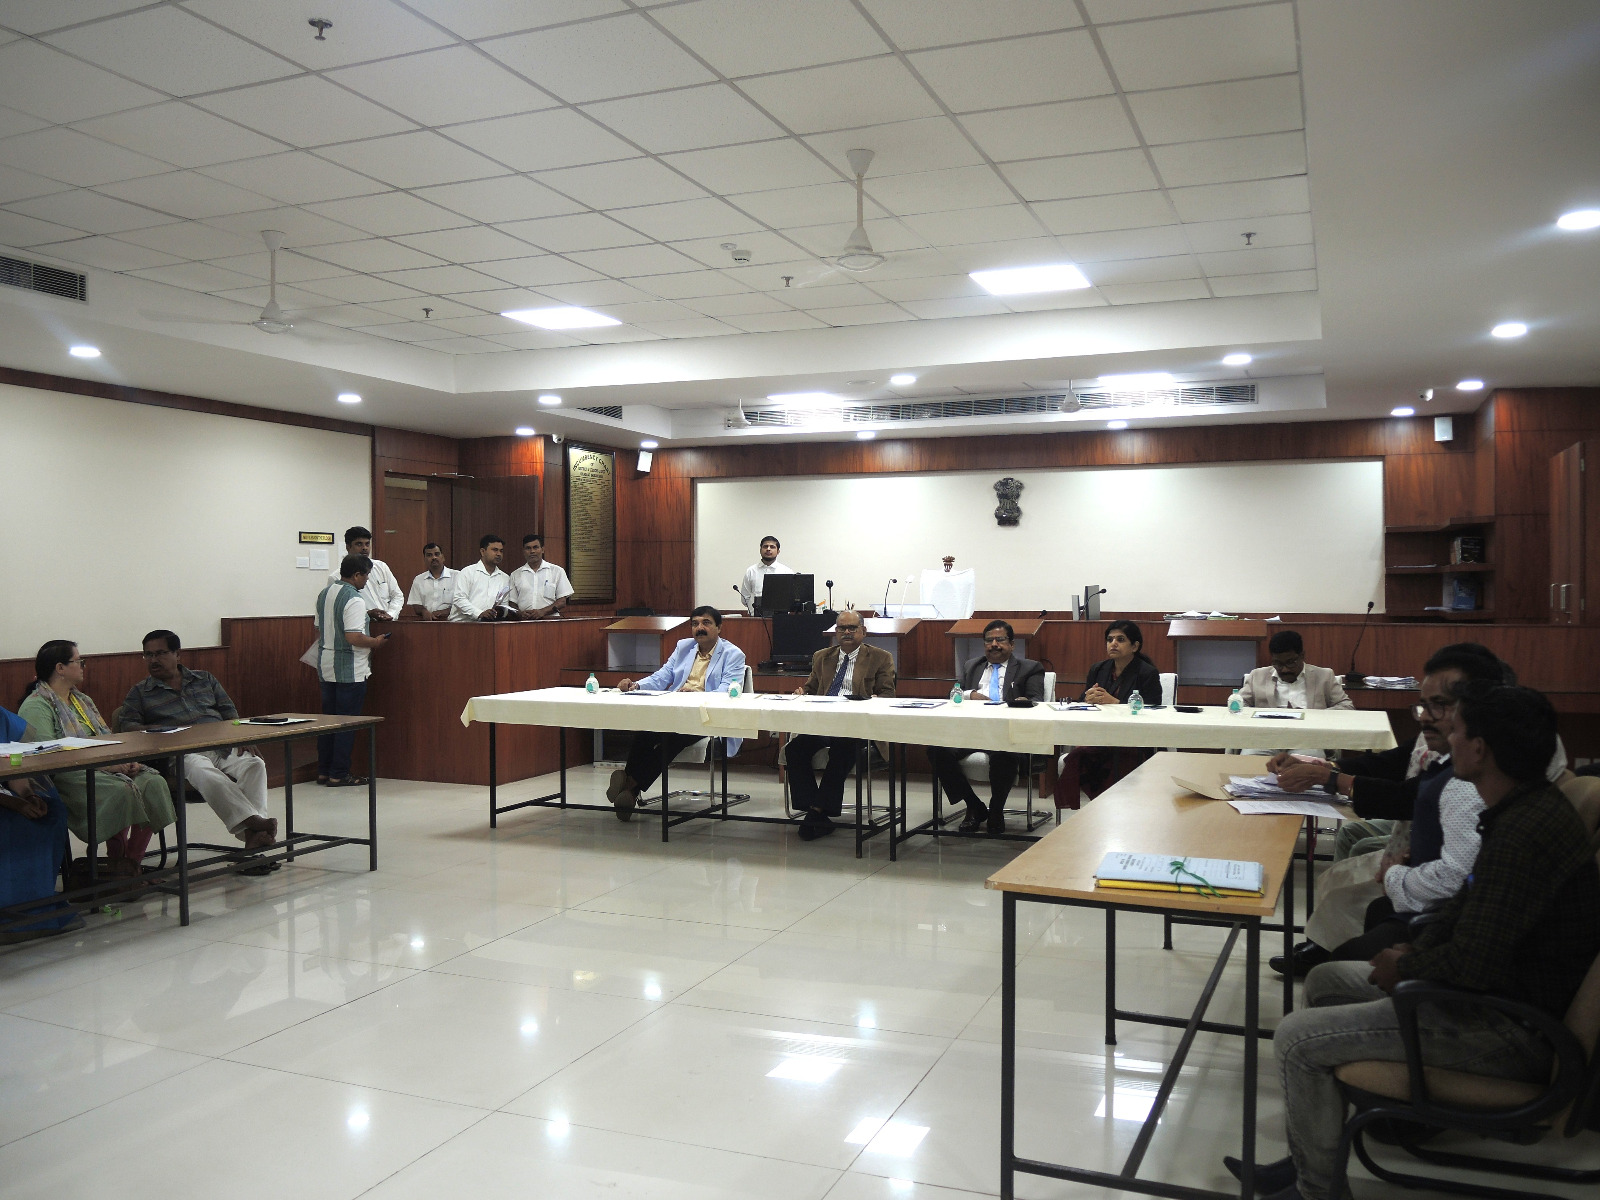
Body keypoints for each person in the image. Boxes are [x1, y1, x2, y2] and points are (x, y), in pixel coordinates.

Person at [1239, 685, 1600, 1200]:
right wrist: (1414, 950)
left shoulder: (1523, 835)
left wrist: (1406, 966)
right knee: (1325, 980)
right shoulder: (1522, 809)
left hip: (1509, 1033)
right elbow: (1471, 914)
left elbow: (1473, 964)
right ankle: (1311, 1157)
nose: (1446, 739)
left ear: (1480, 749)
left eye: (1457, 730)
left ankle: (1316, 1190)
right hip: (1496, 1001)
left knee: (1296, 1039)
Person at [1266, 645, 1508, 975]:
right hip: (1421, 871)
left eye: (1439, 705)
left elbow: (1410, 800)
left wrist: (1333, 779)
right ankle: (1329, 945)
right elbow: (1390, 764)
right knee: (1346, 864)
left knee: (1346, 889)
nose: (1425, 716)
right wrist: (1326, 767)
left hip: (1432, 896)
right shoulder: (1447, 743)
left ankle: (1334, 954)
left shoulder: (1472, 773)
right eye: (1423, 705)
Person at [17, 641, 176, 879]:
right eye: (78, 661)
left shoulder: (82, 700)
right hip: (66, 775)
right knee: (122, 790)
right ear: (60, 668)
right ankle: (116, 861)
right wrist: (107, 765)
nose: (83, 666)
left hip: (102, 766)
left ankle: (131, 865)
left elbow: (106, 738)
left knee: (153, 782)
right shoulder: (37, 705)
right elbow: (48, 754)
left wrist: (126, 760)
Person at [115, 629, 277, 856]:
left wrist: (243, 737)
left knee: (255, 764)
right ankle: (255, 825)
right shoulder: (140, 692)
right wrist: (156, 729)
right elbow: (127, 726)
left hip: (221, 745)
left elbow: (229, 713)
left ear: (177, 654)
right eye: (148, 655)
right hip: (182, 753)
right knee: (205, 772)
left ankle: (253, 834)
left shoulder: (205, 679)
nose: (153, 660)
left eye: (160, 653)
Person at [610, 606, 747, 821]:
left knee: (673, 738)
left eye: (706, 623)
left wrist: (698, 694)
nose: (699, 628)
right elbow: (661, 677)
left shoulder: (733, 654)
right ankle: (630, 789)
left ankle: (630, 784)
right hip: (678, 713)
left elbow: (729, 691)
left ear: (719, 627)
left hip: (710, 718)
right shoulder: (684, 647)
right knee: (645, 731)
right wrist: (635, 685)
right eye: (695, 624)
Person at [786, 609, 896, 842]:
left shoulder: (880, 657)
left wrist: (874, 699)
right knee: (795, 748)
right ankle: (815, 810)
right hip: (824, 722)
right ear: (835, 632)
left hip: (859, 726)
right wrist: (802, 693)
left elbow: (888, 695)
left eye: (852, 628)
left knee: (844, 746)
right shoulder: (822, 656)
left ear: (863, 631)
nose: (846, 632)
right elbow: (811, 688)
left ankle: (816, 811)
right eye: (842, 628)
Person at [928, 620, 1045, 834]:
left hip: (1008, 732)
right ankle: (974, 805)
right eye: (989, 641)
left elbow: (1037, 700)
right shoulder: (972, 665)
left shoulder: (1030, 668)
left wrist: (1022, 702)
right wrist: (969, 694)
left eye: (1000, 640)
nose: (994, 645)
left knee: (1004, 753)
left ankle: (996, 810)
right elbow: (952, 694)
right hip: (973, 731)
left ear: (1012, 644)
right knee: (936, 749)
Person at [1056, 621, 1164, 810]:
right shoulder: (1098, 669)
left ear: (1135, 646)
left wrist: (1115, 702)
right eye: (1109, 639)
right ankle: (1096, 810)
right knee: (1077, 756)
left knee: (1117, 760)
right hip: (1101, 737)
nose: (1113, 644)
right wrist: (1087, 698)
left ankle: (1115, 811)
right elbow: (1082, 701)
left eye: (1120, 639)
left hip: (1134, 742)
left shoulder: (1147, 672)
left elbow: (1153, 710)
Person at [0, 704, 79, 941]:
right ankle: (8, 915)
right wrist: (13, 803)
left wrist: (28, 795)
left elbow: (14, 762)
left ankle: (39, 905)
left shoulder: (2, 718)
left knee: (51, 812)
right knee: (12, 824)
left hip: (7, 794)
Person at [314, 554, 391, 787]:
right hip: (350, 669)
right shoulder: (355, 599)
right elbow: (354, 637)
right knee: (346, 723)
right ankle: (339, 773)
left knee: (328, 721)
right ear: (357, 575)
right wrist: (376, 642)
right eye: (366, 575)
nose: (367, 580)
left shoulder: (324, 593)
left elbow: (322, 626)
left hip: (326, 666)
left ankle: (324, 771)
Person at [1239, 631, 1353, 710]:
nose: (1284, 669)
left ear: (1302, 656)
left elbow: (1346, 705)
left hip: (1311, 734)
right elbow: (1238, 704)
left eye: (1290, 662)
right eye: (1278, 664)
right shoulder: (1257, 676)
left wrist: (1317, 716)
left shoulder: (1324, 676)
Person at [328, 526, 403, 623]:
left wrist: (390, 615)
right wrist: (369, 614)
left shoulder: (381, 567)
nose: (364, 548)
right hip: (360, 625)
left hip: (389, 623)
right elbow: (339, 608)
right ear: (348, 547)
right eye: (359, 544)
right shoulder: (337, 577)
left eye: (367, 544)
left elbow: (397, 596)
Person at [451, 534, 514, 622]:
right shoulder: (468, 572)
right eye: (495, 550)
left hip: (490, 624)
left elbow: (503, 604)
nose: (499, 554)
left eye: (501, 551)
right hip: (463, 623)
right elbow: (459, 599)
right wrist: (479, 613)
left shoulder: (505, 578)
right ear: (482, 551)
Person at [511, 533, 574, 620]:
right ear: (523, 551)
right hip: (524, 622)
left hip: (550, 621)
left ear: (543, 549)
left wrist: (542, 612)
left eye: (535, 547)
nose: (532, 551)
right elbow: (512, 603)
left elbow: (562, 602)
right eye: (528, 548)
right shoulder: (515, 575)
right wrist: (520, 613)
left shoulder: (557, 571)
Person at [739, 535, 794, 613]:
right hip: (755, 617)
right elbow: (745, 598)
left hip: (781, 617)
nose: (768, 549)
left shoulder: (787, 572)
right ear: (760, 550)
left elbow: (791, 598)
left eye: (772, 547)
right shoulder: (751, 571)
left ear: (778, 551)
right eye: (765, 546)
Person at [405, 542, 456, 620]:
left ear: (443, 557)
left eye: (437, 554)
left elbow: (462, 603)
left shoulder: (457, 576)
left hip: (452, 622)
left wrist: (442, 612)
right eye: (429, 555)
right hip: (427, 622)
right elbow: (416, 604)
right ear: (424, 559)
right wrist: (424, 611)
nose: (434, 557)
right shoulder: (419, 579)